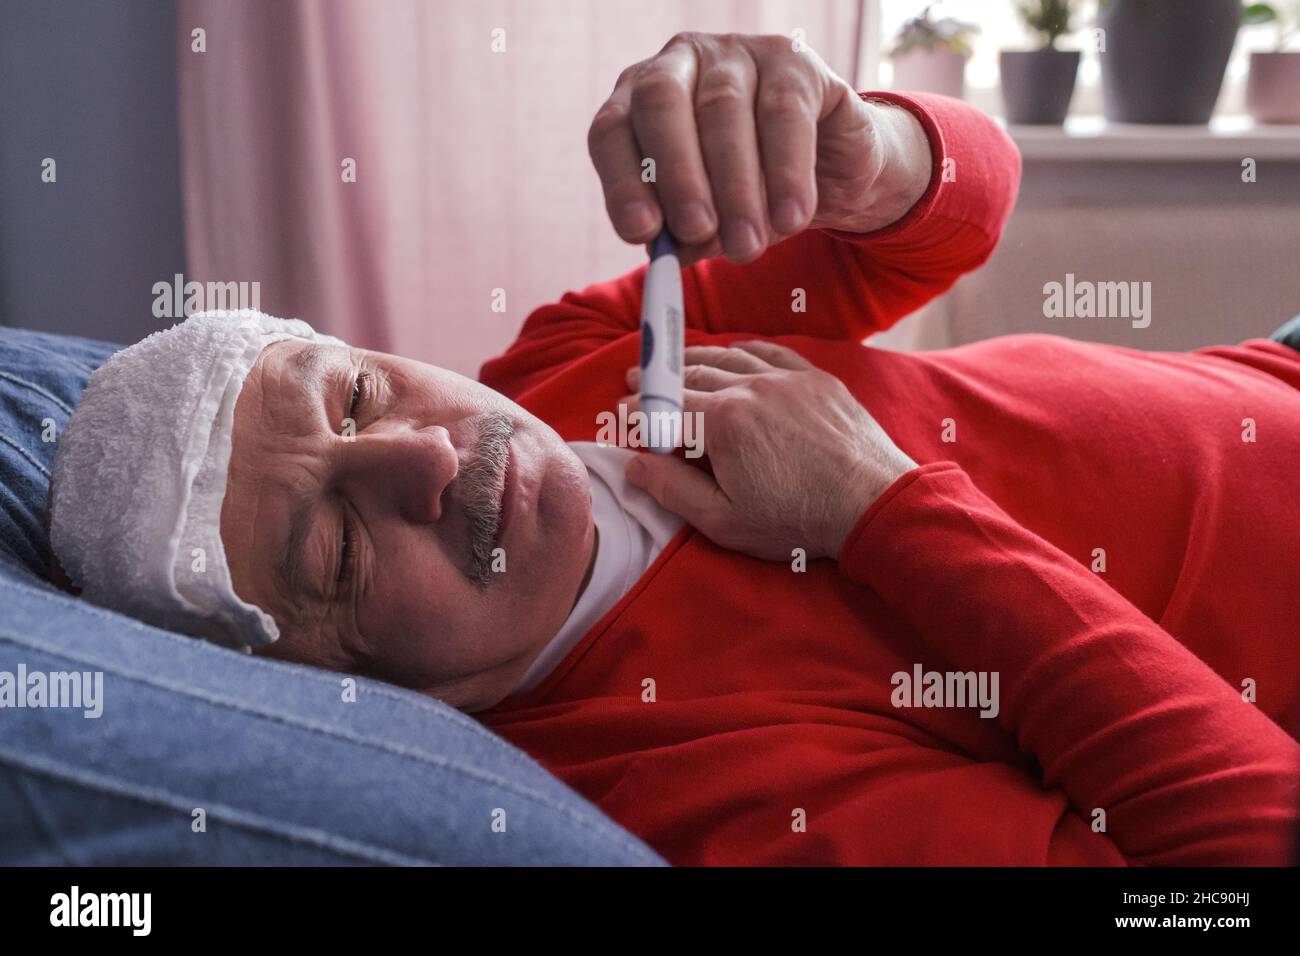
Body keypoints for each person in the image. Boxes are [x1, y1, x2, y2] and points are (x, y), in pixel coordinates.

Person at [48, 32, 1299, 866]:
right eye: (330, 549)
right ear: (327, 684)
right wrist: (881, 507)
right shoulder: (687, 793)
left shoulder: (552, 366)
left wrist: (865, 152)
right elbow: (1239, 853)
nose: (422, 461)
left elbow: (958, 217)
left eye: (362, 393)